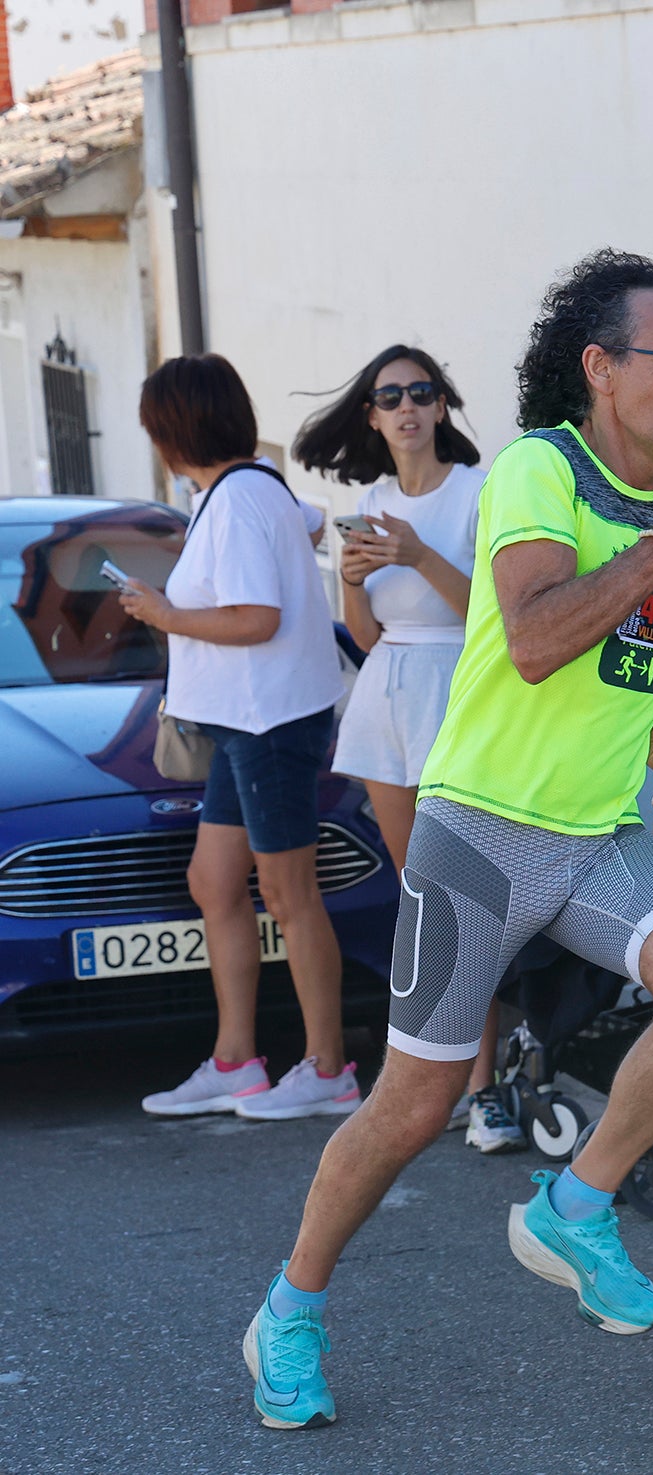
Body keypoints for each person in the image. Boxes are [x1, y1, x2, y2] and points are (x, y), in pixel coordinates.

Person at [240, 250, 653, 1432]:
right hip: (479, 832)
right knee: (413, 1106)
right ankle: (290, 1307)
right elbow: (528, 636)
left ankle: (575, 1205)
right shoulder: (539, 467)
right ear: (600, 368)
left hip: (596, 833)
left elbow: (608, 648)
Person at [293, 345, 521, 1152]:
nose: (408, 407)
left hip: (459, 690)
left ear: (441, 405)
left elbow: (499, 614)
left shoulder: (476, 492)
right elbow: (364, 633)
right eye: (391, 396)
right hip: (389, 696)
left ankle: (487, 1084)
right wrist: (354, 573)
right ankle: (432, 1082)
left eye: (422, 392)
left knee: (466, 895)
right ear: (373, 415)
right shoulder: (370, 501)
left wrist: (418, 554)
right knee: (418, 903)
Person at [124, 356, 355, 1124]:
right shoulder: (242, 491)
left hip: (270, 725)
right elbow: (309, 525)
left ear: (171, 429)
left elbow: (256, 617)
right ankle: (236, 1062)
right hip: (243, 725)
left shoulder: (238, 499)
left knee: (289, 894)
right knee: (214, 882)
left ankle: (328, 1068)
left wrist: (161, 614)